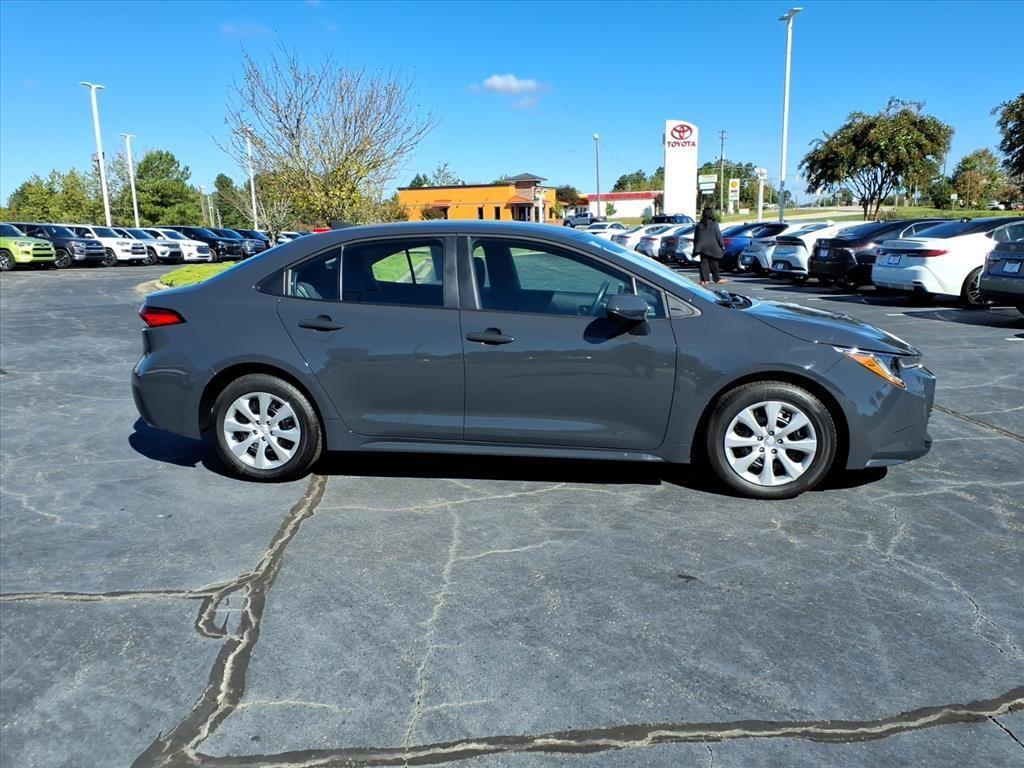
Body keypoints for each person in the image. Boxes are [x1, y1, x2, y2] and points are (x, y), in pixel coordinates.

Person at [693, 207, 727, 286]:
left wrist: (696, 246)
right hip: (712, 246)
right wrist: (722, 245)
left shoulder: (699, 224)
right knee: (714, 262)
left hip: (701, 247)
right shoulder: (714, 223)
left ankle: (704, 280)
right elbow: (718, 235)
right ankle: (717, 279)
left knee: (703, 263)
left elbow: (696, 237)